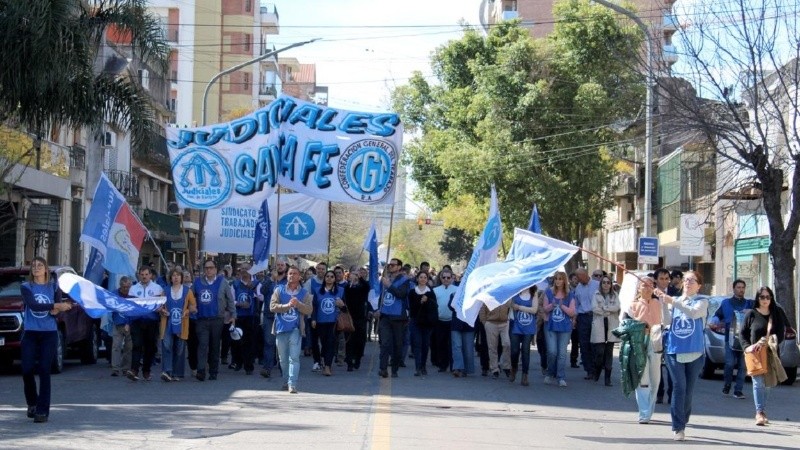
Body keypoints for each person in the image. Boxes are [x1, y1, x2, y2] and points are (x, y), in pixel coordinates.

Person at [654, 270, 708, 441]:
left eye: (692, 280)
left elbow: (693, 313)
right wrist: (664, 302)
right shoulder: (675, 301)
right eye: (686, 280)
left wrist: (673, 301)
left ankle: (683, 419)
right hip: (674, 350)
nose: (688, 283)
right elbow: (667, 322)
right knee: (679, 387)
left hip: (695, 351)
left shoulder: (702, 301)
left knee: (688, 391)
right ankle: (678, 426)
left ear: (699, 285)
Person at [21, 257, 72, 423]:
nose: (36, 268)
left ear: (46, 269)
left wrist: (61, 308)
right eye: (33, 266)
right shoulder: (26, 287)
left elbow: (60, 305)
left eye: (40, 265)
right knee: (27, 369)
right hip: (30, 332)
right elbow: (34, 305)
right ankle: (32, 403)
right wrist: (56, 306)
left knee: (44, 369)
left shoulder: (53, 286)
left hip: (48, 333)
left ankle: (42, 411)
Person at [740, 286, 786, 426]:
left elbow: (781, 333)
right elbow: (742, 334)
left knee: (767, 384)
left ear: (771, 298)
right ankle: (759, 412)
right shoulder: (751, 314)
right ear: (757, 299)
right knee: (758, 382)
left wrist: (770, 340)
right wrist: (748, 347)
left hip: (771, 354)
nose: (765, 300)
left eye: (768, 297)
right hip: (755, 354)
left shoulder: (776, 313)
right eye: (762, 297)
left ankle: (762, 410)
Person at [270, 266, 313, 393]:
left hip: (295, 329)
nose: (291, 276)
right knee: (282, 359)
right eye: (289, 273)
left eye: (294, 274)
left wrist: (298, 304)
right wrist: (287, 306)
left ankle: (292, 384)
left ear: (299, 277)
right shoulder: (279, 289)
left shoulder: (304, 293)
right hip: (280, 329)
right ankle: (285, 380)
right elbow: (272, 307)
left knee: (294, 357)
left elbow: (309, 310)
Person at [192, 260, 236, 381]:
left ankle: (213, 371)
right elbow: (190, 298)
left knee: (215, 346)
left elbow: (230, 300)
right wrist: (191, 307)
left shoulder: (223, 282)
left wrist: (233, 315)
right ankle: (201, 370)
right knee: (202, 344)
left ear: (215, 269)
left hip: (217, 319)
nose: (208, 270)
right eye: (206, 268)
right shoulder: (197, 282)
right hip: (201, 319)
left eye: (211, 268)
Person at [627, 276, 662, 424]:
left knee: (655, 378)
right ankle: (644, 413)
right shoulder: (632, 305)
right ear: (638, 288)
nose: (647, 288)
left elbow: (666, 321)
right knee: (643, 379)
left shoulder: (659, 303)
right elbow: (626, 325)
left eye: (650, 285)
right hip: (639, 341)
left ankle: (650, 409)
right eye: (644, 285)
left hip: (655, 341)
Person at [714, 279, 753, 399]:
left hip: (745, 340)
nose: (741, 290)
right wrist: (714, 321)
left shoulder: (750, 304)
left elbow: (761, 311)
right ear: (733, 289)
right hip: (730, 339)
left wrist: (752, 311)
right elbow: (717, 315)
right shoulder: (726, 303)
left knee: (743, 366)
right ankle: (727, 385)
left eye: (743, 288)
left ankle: (738, 390)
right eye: (738, 287)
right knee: (730, 363)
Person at [127, 266, 164, 382]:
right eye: (142, 274)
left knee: (150, 347)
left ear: (150, 275)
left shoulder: (157, 288)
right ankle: (134, 370)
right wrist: (127, 322)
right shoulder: (133, 289)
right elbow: (129, 307)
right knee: (137, 345)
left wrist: (159, 308)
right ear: (139, 275)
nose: (144, 276)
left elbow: (161, 304)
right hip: (137, 321)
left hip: (151, 321)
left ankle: (146, 370)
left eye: (146, 274)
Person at [159, 268, 197, 381]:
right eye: (173, 275)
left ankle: (177, 373)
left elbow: (194, 307)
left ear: (181, 278)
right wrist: (162, 310)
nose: (175, 277)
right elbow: (159, 306)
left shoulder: (187, 291)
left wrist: (187, 311)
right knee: (166, 345)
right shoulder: (165, 291)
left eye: (178, 275)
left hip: (182, 323)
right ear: (170, 278)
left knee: (179, 348)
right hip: (167, 322)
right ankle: (167, 371)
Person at [376, 258, 410, 378]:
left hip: (398, 317)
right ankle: (383, 368)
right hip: (385, 315)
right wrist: (378, 309)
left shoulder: (405, 280)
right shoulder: (385, 279)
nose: (390, 266)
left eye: (393, 265)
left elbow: (401, 294)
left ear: (399, 267)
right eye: (389, 265)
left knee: (397, 344)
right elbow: (382, 296)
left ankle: (394, 368)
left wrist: (389, 285)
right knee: (384, 343)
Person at [543, 271, 575, 387]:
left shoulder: (570, 294)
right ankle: (550, 373)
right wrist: (552, 305)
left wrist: (562, 306)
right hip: (550, 326)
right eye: (556, 278)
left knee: (562, 353)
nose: (558, 281)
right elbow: (545, 309)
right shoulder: (548, 292)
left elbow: (572, 312)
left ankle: (561, 377)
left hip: (565, 327)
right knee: (552, 352)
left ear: (564, 280)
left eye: (560, 279)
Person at [311, 270, 345, 376]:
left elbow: (346, 308)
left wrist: (342, 305)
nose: (329, 278)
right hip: (321, 321)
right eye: (327, 276)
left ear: (335, 279)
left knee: (331, 344)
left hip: (333, 322)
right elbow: (314, 307)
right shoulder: (317, 291)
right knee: (324, 344)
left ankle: (327, 366)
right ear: (324, 278)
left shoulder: (341, 290)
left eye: (332, 276)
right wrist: (313, 319)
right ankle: (323, 359)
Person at [591, 275, 620, 386]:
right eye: (604, 282)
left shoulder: (615, 295)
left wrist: (605, 309)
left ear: (611, 284)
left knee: (609, 352)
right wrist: (608, 310)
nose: (606, 284)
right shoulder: (596, 294)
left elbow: (617, 307)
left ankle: (607, 378)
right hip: (599, 324)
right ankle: (597, 370)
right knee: (600, 352)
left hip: (611, 325)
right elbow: (594, 308)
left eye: (608, 282)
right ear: (601, 284)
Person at [408, 271, 438, 377]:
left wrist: (428, 300)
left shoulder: (431, 292)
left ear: (427, 279)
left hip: (427, 323)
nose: (423, 279)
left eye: (425, 277)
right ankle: (417, 367)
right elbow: (411, 307)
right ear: (417, 279)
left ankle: (423, 366)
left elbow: (435, 306)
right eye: (421, 277)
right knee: (417, 344)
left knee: (425, 345)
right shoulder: (412, 292)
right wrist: (420, 302)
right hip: (416, 322)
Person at [573, 268, 601, 380]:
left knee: (595, 344)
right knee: (584, 345)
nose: (578, 280)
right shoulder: (578, 288)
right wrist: (574, 319)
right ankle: (589, 370)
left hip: (595, 316)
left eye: (579, 278)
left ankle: (596, 368)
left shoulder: (597, 285)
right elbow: (576, 304)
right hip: (583, 317)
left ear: (585, 275)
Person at [230, 264, 258, 374]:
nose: (244, 271)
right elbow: (231, 300)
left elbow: (261, 296)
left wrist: (253, 289)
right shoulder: (235, 284)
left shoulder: (256, 283)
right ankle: (238, 362)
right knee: (237, 340)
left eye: (247, 269)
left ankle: (248, 365)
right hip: (238, 316)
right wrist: (239, 303)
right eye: (242, 269)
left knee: (249, 341)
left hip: (251, 316)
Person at [509, 285, 539, 386]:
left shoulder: (533, 293)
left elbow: (534, 310)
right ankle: (514, 367)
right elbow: (511, 305)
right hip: (515, 325)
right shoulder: (515, 292)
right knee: (514, 350)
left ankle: (525, 375)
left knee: (525, 350)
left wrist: (519, 307)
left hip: (528, 326)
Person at [653, 268, 673, 404]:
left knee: (672, 364)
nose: (664, 281)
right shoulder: (651, 294)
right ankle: (659, 392)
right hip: (656, 331)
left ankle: (672, 393)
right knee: (657, 364)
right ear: (656, 280)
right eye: (661, 278)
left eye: (667, 278)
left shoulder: (675, 294)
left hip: (671, 331)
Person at [344, 267, 369, 371]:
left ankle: (357, 358)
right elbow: (346, 296)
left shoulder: (362, 287)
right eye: (352, 274)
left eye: (356, 274)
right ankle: (349, 362)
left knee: (360, 340)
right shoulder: (347, 287)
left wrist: (360, 278)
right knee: (349, 340)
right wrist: (351, 283)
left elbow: (367, 287)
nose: (354, 275)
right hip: (349, 316)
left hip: (360, 317)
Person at [431, 269, 456, 373]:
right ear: (440, 278)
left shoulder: (457, 290)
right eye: (444, 277)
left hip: (452, 321)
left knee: (453, 344)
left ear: (452, 278)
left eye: (448, 277)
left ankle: (453, 366)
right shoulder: (435, 290)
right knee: (441, 344)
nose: (446, 279)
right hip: (439, 321)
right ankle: (442, 365)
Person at [110, 276, 134, 377]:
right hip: (118, 323)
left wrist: (128, 323)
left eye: (128, 287)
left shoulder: (132, 295)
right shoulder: (114, 294)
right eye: (124, 287)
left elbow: (134, 310)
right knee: (116, 346)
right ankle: (115, 368)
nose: (126, 289)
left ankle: (126, 368)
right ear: (120, 286)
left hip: (130, 324)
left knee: (128, 347)